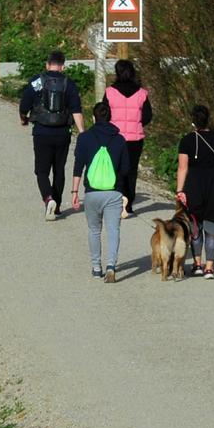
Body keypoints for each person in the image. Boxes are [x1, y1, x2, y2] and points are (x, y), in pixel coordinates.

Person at [19, 51, 84, 220]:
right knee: (59, 170)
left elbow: (24, 104)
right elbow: (76, 110)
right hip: (63, 133)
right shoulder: (69, 84)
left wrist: (24, 118)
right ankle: (57, 207)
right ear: (62, 66)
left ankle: (48, 199)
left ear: (47, 65)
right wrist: (83, 133)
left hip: (41, 132)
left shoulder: (37, 81)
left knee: (41, 170)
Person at [70, 100, 130, 282]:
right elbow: (126, 168)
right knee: (113, 230)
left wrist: (74, 192)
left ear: (94, 118)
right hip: (113, 192)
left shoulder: (84, 138)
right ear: (110, 118)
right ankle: (111, 264)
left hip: (92, 192)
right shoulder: (119, 139)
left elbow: (78, 166)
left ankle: (97, 267)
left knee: (94, 230)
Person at [174, 105, 214, 276]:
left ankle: (197, 264)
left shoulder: (187, 140)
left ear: (193, 120)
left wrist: (180, 190)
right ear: (208, 118)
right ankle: (210, 267)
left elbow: (182, 168)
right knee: (211, 226)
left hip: (193, 187)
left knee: (195, 227)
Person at [103, 59, 151, 218]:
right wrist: (136, 123)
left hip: (115, 137)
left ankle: (117, 201)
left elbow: (105, 114)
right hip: (135, 138)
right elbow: (147, 116)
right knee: (131, 171)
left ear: (116, 72)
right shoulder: (142, 93)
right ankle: (128, 204)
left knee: (115, 170)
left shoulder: (110, 92)